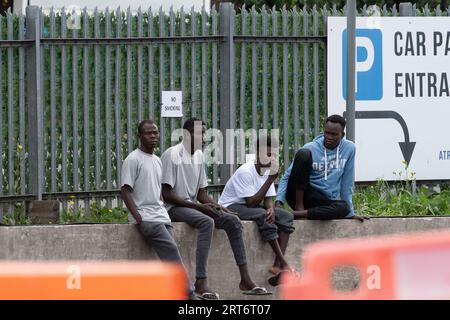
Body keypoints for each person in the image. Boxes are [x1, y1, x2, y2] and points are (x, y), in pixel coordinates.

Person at [161, 118, 271, 299]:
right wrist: (202, 207)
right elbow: (167, 194)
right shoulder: (172, 154)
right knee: (206, 221)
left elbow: (202, 193)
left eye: (205, 133)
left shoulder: (198, 156)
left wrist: (220, 208)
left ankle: (245, 280)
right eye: (201, 133)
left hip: (193, 206)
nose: (205, 138)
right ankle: (201, 282)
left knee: (233, 221)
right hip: (173, 207)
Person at [120, 119, 198, 300]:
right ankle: (189, 294)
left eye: (155, 132)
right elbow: (125, 190)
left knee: (172, 256)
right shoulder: (133, 159)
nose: (153, 136)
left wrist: (161, 206)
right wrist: (138, 217)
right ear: (140, 136)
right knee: (171, 250)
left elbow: (158, 190)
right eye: (148, 133)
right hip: (147, 219)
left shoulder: (156, 160)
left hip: (160, 215)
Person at [218, 135, 295, 286]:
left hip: (249, 206)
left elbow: (267, 200)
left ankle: (277, 265)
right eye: (267, 154)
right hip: (231, 206)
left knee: (285, 216)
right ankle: (284, 263)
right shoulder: (246, 171)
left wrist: (271, 209)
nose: (270, 158)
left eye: (273, 154)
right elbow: (251, 203)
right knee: (261, 215)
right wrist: (270, 179)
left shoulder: (268, 171)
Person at [275, 114, 369, 222]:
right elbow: (287, 177)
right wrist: (279, 203)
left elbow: (347, 183)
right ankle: (299, 209)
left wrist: (350, 213)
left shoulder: (349, 148)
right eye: (327, 133)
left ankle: (295, 214)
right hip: (300, 194)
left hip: (321, 200)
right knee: (303, 154)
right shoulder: (311, 147)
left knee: (344, 208)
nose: (329, 137)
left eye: (334, 134)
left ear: (342, 135)